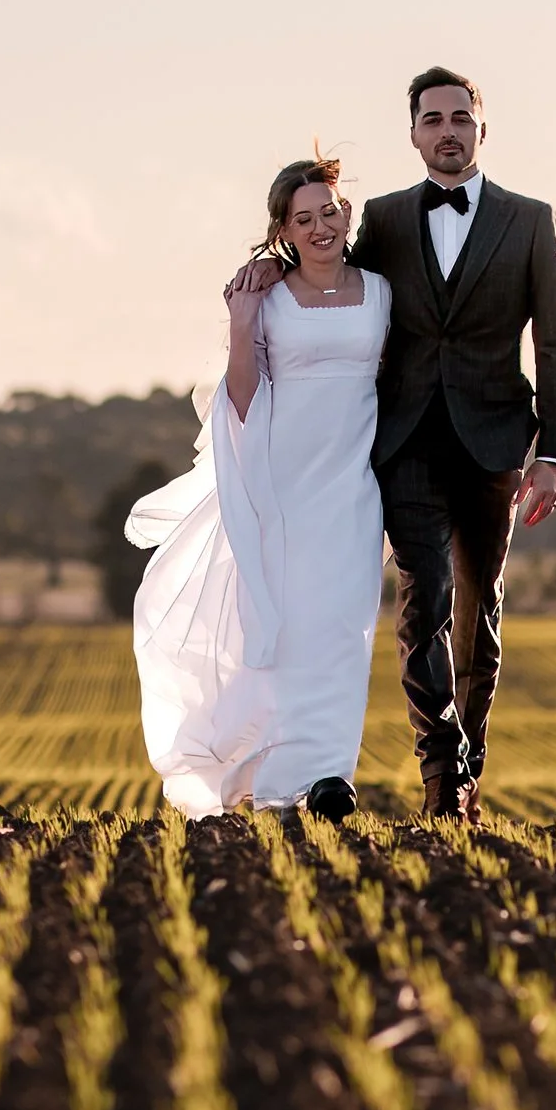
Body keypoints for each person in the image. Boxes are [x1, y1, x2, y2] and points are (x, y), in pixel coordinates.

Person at [125, 156, 386, 820]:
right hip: (283, 488)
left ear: (347, 214)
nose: (321, 226)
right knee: (291, 631)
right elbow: (241, 398)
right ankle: (286, 780)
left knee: (345, 629)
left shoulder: (384, 292)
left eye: (329, 211)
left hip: (354, 486)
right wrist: (242, 322)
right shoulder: (266, 299)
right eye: (304, 218)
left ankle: (329, 776)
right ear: (284, 231)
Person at [350, 66, 556, 822]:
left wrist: (554, 453)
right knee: (425, 604)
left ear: (482, 129)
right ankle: (441, 774)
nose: (447, 132)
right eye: (432, 120)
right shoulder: (382, 220)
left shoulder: (531, 220)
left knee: (479, 611)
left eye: (459, 119)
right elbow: (335, 292)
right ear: (413, 134)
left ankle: (468, 767)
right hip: (406, 439)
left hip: (495, 442)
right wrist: (265, 273)